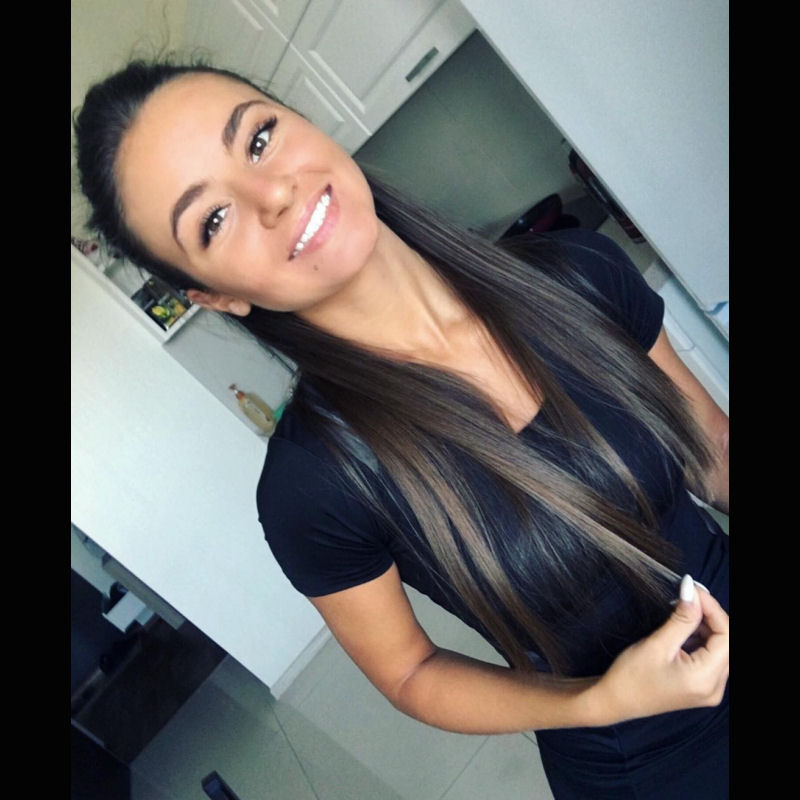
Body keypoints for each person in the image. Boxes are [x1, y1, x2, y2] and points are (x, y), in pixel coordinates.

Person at [73, 58, 729, 798]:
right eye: (213, 221)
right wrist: (599, 702)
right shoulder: (312, 485)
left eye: (257, 139)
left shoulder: (579, 272)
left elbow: (713, 449)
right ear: (215, 296)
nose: (274, 194)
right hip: (647, 760)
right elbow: (411, 672)